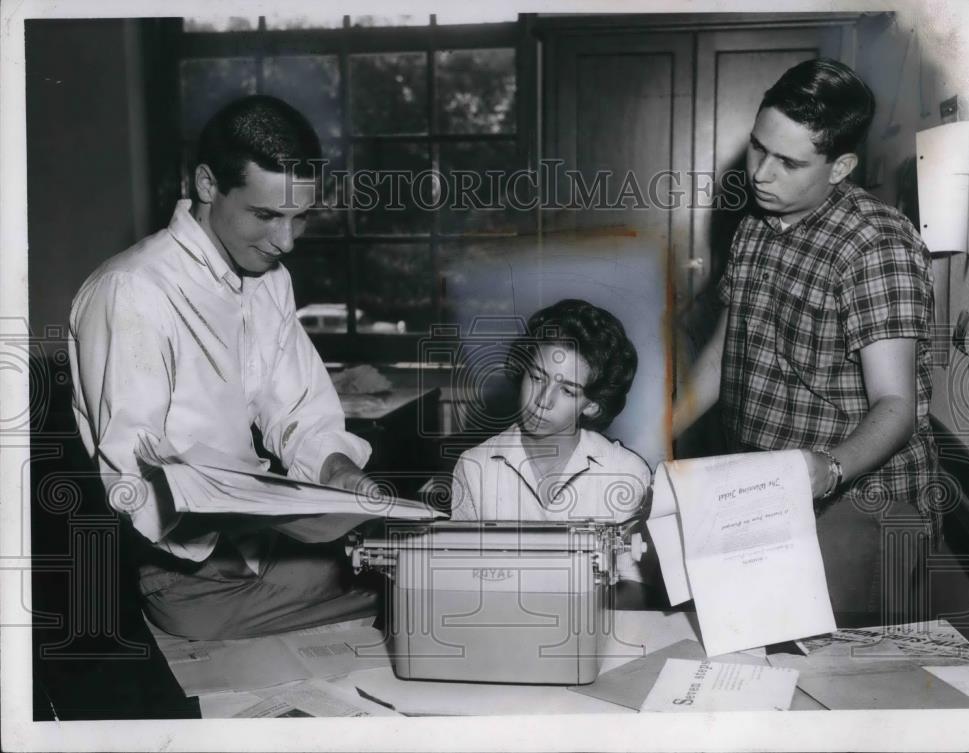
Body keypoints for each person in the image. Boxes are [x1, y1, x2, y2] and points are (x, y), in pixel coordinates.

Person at [69, 95, 386, 640]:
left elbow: (297, 411)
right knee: (404, 603)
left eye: (299, 218)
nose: (285, 242)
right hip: (188, 576)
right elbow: (132, 476)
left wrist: (337, 472)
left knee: (416, 584)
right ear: (207, 185)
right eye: (265, 216)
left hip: (261, 552)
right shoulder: (133, 290)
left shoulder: (269, 281)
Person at [673, 58, 939, 619]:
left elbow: (898, 405)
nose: (762, 175)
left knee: (809, 658)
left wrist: (831, 469)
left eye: (789, 162)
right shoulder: (757, 224)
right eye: (758, 148)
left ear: (840, 166)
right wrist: (658, 433)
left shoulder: (876, 244)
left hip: (862, 494)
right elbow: (726, 349)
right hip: (762, 486)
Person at [450, 299, 652, 585]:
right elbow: (459, 579)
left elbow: (634, 589)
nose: (543, 401)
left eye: (568, 390)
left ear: (592, 405)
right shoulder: (474, 467)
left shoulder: (627, 473)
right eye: (536, 377)